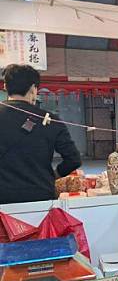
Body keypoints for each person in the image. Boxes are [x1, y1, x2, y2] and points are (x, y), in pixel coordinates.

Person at [0, 64, 81, 204]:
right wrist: (52, 176)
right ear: (33, 88)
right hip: (40, 195)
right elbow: (73, 159)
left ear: (6, 86)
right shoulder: (50, 119)